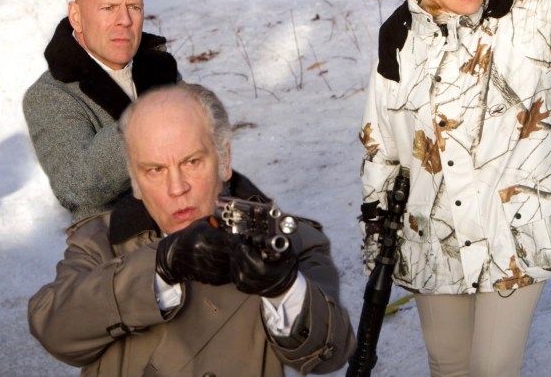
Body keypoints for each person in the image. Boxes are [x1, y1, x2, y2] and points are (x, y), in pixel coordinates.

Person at [358, 0, 551, 377]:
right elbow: (382, 142)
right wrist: (376, 223)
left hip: (514, 228)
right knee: (447, 363)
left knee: (492, 368)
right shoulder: (400, 37)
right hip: (432, 232)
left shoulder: (526, 17)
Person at [28, 83, 355, 376]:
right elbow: (54, 328)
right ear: (136, 182)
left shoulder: (290, 239)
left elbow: (331, 352)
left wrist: (284, 289)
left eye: (192, 162)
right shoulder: (101, 240)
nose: (176, 187)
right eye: (155, 169)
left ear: (224, 160)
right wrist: (159, 266)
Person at [23, 0, 180, 223]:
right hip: (115, 250)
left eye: (134, 7)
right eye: (109, 8)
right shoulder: (51, 95)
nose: (125, 20)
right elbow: (75, 186)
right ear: (77, 16)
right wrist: (144, 124)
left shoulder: (161, 70)